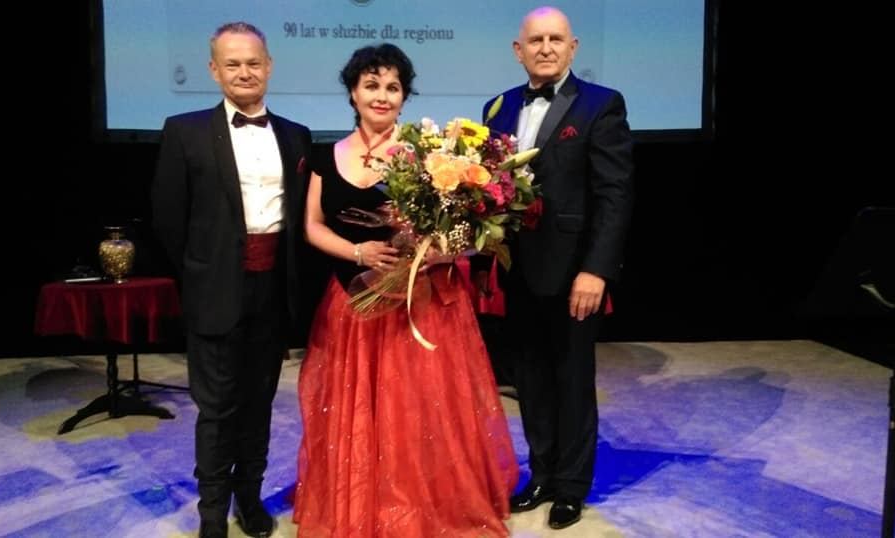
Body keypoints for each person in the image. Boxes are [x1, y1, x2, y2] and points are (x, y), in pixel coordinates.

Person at [292, 43, 519, 537]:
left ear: (404, 96)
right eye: (371, 85)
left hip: (420, 304)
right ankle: (365, 499)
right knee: (359, 409)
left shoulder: (429, 157)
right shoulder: (325, 156)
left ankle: (421, 500)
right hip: (353, 302)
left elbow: (460, 233)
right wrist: (358, 253)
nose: (382, 96)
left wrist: (437, 254)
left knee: (419, 410)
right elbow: (311, 226)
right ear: (353, 93)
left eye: (392, 87)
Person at [151, 22, 312, 538]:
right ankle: (212, 512)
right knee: (217, 409)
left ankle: (250, 497)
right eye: (232, 63)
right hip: (215, 289)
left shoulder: (296, 135)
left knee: (259, 404)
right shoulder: (184, 130)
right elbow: (169, 219)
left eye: (253, 62)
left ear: (269, 66)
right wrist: (206, 271)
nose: (244, 72)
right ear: (214, 70)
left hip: (273, 292)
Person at [482, 6, 634, 531]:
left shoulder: (601, 104)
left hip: (573, 273)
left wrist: (596, 271)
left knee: (572, 380)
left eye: (555, 39)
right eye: (535, 40)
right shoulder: (498, 107)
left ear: (573, 47)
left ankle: (571, 486)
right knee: (530, 381)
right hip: (515, 269)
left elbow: (614, 196)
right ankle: (542, 474)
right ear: (518, 50)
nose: (545, 48)